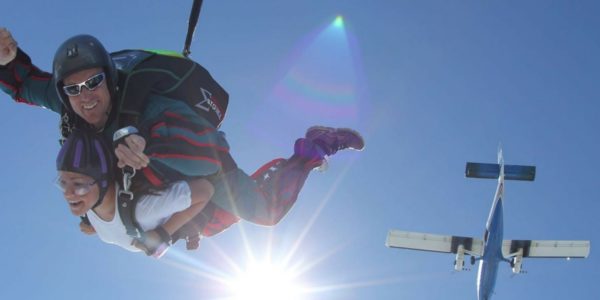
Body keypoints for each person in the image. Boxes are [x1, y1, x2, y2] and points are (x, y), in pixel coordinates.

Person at [0, 28, 365, 248]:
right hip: (142, 178)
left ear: (110, 79)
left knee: (264, 212)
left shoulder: (154, 107)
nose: (86, 96)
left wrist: (148, 147)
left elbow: (206, 159)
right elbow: (22, 82)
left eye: (94, 82)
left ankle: (312, 148)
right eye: (74, 89)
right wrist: (6, 59)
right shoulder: (67, 103)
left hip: (192, 151)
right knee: (196, 222)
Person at [56, 128, 214, 257]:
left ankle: (192, 231)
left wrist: (163, 234)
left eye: (78, 184)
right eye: (62, 183)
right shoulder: (90, 206)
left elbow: (206, 190)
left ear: (102, 181)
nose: (68, 194)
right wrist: (93, 226)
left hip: (188, 217)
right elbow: (114, 226)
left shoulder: (143, 210)